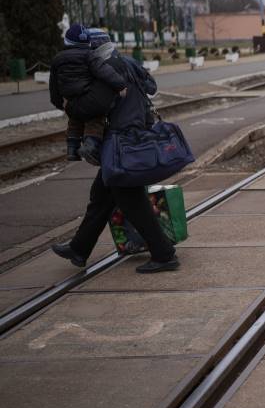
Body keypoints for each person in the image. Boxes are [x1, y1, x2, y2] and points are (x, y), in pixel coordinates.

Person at [51, 48, 179, 273]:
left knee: (131, 201)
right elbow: (150, 87)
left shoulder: (108, 69)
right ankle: (79, 248)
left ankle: (164, 254)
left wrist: (70, 105)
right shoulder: (126, 63)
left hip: (121, 143)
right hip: (129, 136)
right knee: (101, 196)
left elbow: (93, 105)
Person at [49, 24, 127, 163]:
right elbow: (105, 72)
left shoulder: (57, 59)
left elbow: (53, 86)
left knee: (75, 121)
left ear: (67, 42)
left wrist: (59, 104)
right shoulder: (89, 55)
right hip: (88, 96)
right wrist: (121, 84)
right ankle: (91, 145)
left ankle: (72, 150)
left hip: (71, 101)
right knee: (96, 118)